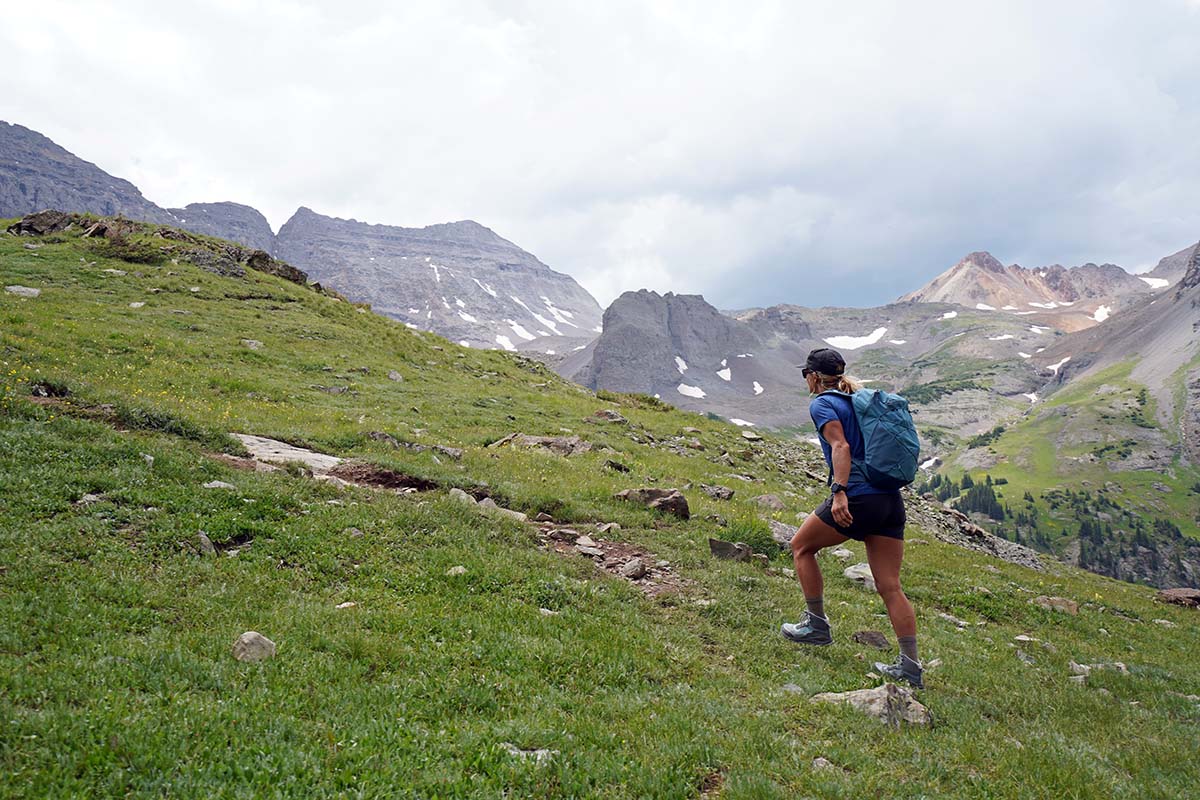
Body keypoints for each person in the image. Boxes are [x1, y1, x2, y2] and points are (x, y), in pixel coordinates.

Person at [779, 347, 923, 689]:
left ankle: (816, 626)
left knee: (801, 546)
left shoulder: (823, 403)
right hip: (889, 501)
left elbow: (840, 447)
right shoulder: (860, 402)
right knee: (890, 587)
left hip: (858, 497)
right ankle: (911, 667)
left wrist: (839, 490)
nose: (806, 380)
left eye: (806, 375)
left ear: (814, 377)